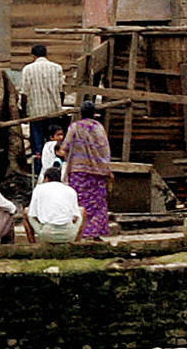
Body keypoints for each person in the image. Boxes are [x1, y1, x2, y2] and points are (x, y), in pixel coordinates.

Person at [58, 98, 114, 239]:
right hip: (98, 172)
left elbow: (64, 148)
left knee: (80, 203)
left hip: (78, 172)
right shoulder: (99, 128)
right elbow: (105, 150)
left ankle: (80, 233)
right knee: (98, 204)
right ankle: (95, 234)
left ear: (81, 113)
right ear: (94, 113)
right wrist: (106, 168)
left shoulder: (75, 127)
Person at [15, 43, 67, 158]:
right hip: (53, 111)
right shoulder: (57, 68)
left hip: (36, 113)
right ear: (46, 54)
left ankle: (39, 171)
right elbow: (62, 91)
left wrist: (23, 111)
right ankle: (54, 169)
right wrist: (59, 106)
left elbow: (24, 93)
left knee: (38, 144)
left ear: (33, 56)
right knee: (53, 142)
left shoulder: (27, 69)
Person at [28, 160, 83, 244]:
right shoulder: (70, 190)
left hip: (47, 233)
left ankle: (32, 244)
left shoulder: (39, 189)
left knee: (26, 212)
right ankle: (77, 242)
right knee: (82, 211)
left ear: (46, 178)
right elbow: (75, 216)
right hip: (69, 234)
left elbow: (32, 214)